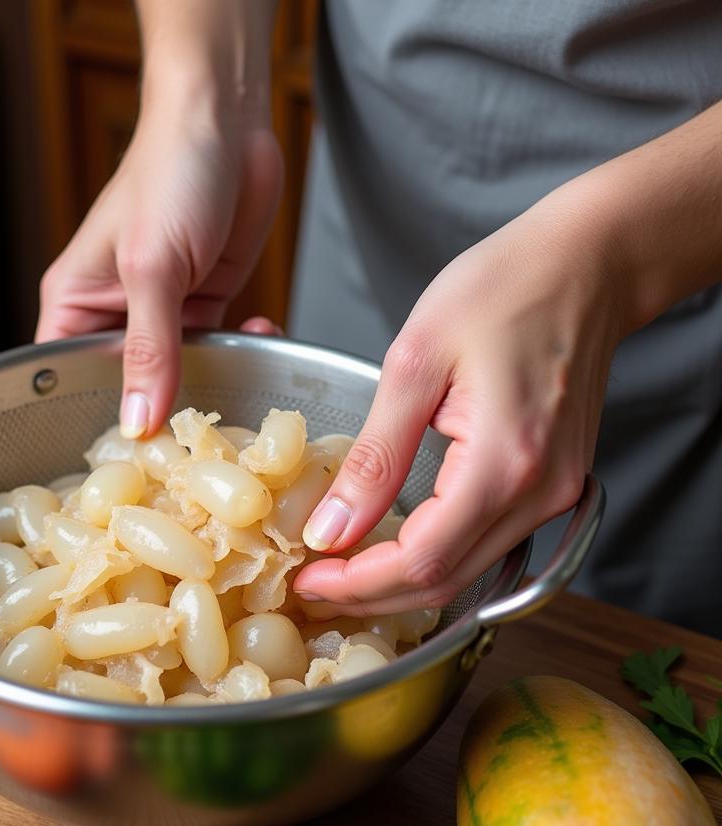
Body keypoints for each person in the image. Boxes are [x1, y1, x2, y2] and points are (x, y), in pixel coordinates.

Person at [36, 1, 722, 637]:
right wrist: (199, 96)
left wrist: (611, 259)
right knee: (325, 550)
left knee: (627, 644)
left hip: (686, 234)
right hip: (379, 177)